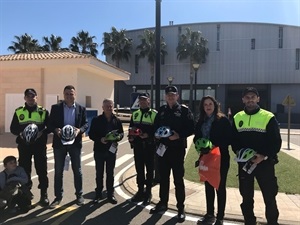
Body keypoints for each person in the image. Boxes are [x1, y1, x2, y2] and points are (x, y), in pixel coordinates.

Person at [232, 87, 282, 225]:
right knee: (246, 196)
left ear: (258, 99)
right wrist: (239, 153)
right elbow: (234, 141)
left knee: (269, 196)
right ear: (243, 99)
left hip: (264, 163)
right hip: (245, 164)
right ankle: (249, 221)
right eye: (247, 97)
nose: (250, 99)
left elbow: (276, 142)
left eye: (253, 97)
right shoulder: (237, 117)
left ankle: (272, 222)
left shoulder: (268, 116)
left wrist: (263, 155)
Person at [150, 85, 194, 223]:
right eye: (168, 94)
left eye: (173, 94)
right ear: (165, 97)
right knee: (163, 178)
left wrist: (179, 135)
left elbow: (192, 128)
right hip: (163, 150)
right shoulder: (161, 111)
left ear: (177, 96)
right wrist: (156, 135)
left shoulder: (184, 111)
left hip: (177, 150)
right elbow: (155, 127)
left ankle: (180, 208)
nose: (170, 96)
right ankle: (163, 203)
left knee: (178, 180)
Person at [48, 85, 88, 208]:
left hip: (75, 144)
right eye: (67, 94)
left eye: (71, 94)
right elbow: (50, 124)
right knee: (58, 171)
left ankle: (79, 196)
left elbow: (86, 124)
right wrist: (56, 130)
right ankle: (58, 197)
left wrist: (79, 131)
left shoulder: (81, 108)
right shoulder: (55, 108)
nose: (69, 96)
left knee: (78, 171)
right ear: (63, 95)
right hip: (60, 144)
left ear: (75, 94)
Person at [194, 96, 232, 225]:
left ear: (215, 105)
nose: (208, 106)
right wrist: (200, 146)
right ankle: (209, 214)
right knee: (208, 186)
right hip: (206, 157)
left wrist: (212, 145)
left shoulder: (223, 120)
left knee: (220, 187)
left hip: (221, 158)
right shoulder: (200, 121)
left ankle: (220, 217)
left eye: (210, 104)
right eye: (205, 104)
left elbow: (229, 139)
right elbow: (196, 138)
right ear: (203, 107)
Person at [10, 88, 50, 206]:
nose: (30, 98)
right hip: (24, 146)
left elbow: (50, 126)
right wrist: (21, 133)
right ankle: (26, 196)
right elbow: (13, 128)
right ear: (25, 98)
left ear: (36, 97)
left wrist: (42, 132)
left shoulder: (43, 111)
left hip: (39, 146)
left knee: (42, 170)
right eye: (28, 96)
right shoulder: (19, 112)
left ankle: (44, 195)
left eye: (33, 96)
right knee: (24, 171)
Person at [88, 99, 124, 204]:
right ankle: (98, 194)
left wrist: (118, 137)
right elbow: (91, 134)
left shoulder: (117, 120)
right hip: (99, 150)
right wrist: (100, 139)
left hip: (111, 151)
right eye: (107, 106)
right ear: (102, 107)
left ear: (113, 107)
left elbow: (121, 133)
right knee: (99, 173)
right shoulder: (96, 120)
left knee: (110, 173)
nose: (109, 108)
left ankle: (110, 194)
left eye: (111, 106)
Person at [128, 93, 157, 205]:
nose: (143, 102)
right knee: (139, 170)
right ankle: (140, 191)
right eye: (141, 100)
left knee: (150, 171)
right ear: (138, 102)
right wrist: (131, 137)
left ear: (149, 101)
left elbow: (158, 130)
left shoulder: (154, 114)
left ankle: (148, 193)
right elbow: (131, 128)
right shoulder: (135, 114)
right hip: (138, 147)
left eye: (145, 100)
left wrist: (148, 135)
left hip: (150, 146)